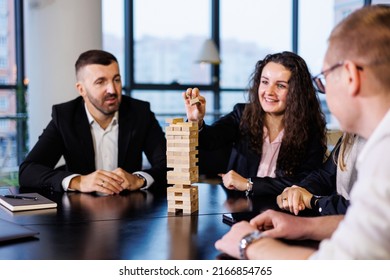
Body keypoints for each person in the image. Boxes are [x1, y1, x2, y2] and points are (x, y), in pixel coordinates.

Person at [215, 5, 390, 259]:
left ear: (350, 76)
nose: (324, 92)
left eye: (324, 79)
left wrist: (249, 244)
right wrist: (304, 226)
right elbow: (367, 227)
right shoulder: (369, 138)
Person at [19, 50, 167, 195]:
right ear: (81, 89)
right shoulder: (65, 117)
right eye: (100, 82)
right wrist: (79, 181)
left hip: (131, 212)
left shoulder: (140, 113)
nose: (112, 90)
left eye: (116, 79)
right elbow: (28, 170)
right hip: (79, 213)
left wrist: (138, 179)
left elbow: (169, 166)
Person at [183, 51, 327, 196]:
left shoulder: (310, 130)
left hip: (284, 212)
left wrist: (249, 184)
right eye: (265, 82)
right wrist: (196, 121)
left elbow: (307, 182)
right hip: (240, 208)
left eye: (281, 86)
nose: (269, 92)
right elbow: (210, 140)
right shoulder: (243, 113)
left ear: (297, 92)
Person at [277, 133, 365, 216]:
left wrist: (313, 201)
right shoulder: (349, 135)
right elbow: (325, 175)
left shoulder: (375, 144)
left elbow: (364, 210)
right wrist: (297, 192)